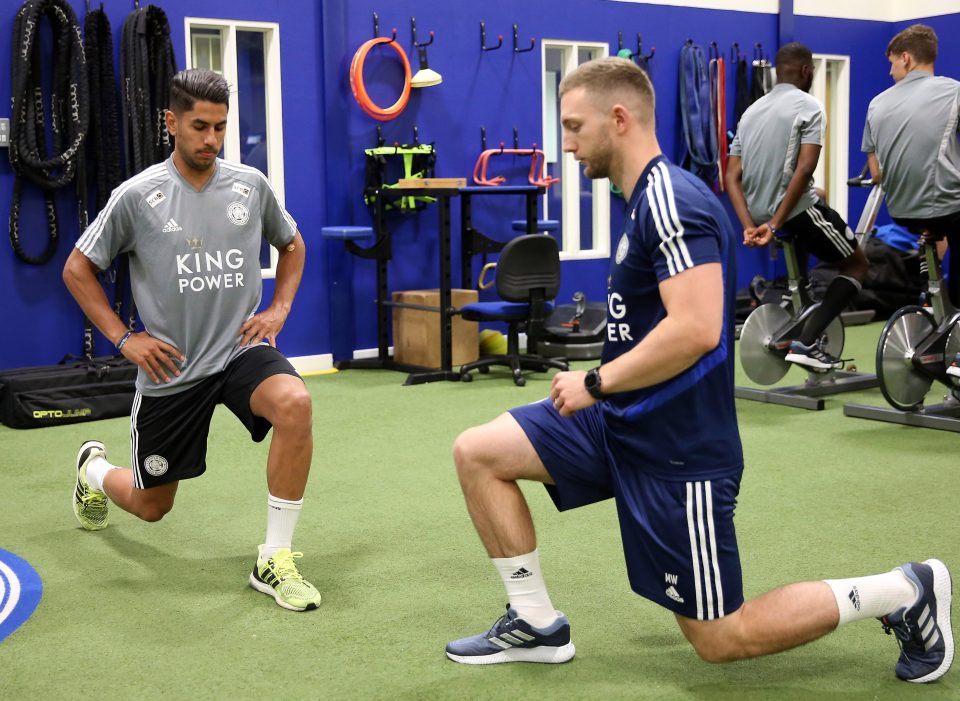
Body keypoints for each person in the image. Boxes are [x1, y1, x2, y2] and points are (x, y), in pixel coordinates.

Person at [444, 56, 953, 684]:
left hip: (676, 451)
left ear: (620, 119)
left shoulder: (670, 200)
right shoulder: (640, 201)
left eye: (575, 127)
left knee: (721, 639)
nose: (566, 144)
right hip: (619, 423)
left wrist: (594, 381)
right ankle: (535, 622)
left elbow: (697, 326)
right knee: (478, 452)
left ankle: (904, 590)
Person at [62, 68, 321, 612]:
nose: (210, 140)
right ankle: (93, 470)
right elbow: (78, 268)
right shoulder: (137, 196)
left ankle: (274, 558)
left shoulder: (250, 187)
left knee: (295, 403)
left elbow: (292, 246)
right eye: (199, 126)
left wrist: (278, 309)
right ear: (171, 122)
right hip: (171, 367)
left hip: (238, 348)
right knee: (152, 506)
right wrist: (122, 337)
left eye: (220, 127)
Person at [726, 42, 868, 371]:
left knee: (817, 205)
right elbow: (804, 169)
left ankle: (803, 314)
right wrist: (775, 223)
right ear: (805, 70)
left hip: (760, 214)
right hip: (793, 212)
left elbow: (731, 176)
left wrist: (751, 223)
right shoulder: (809, 106)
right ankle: (805, 343)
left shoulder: (750, 112)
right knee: (858, 265)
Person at [860, 24, 960, 378]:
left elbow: (876, 173)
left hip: (901, 210)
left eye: (892, 65)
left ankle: (932, 300)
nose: (890, 72)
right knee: (949, 216)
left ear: (906, 58)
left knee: (939, 230)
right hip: (947, 206)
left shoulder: (877, 103)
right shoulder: (953, 91)